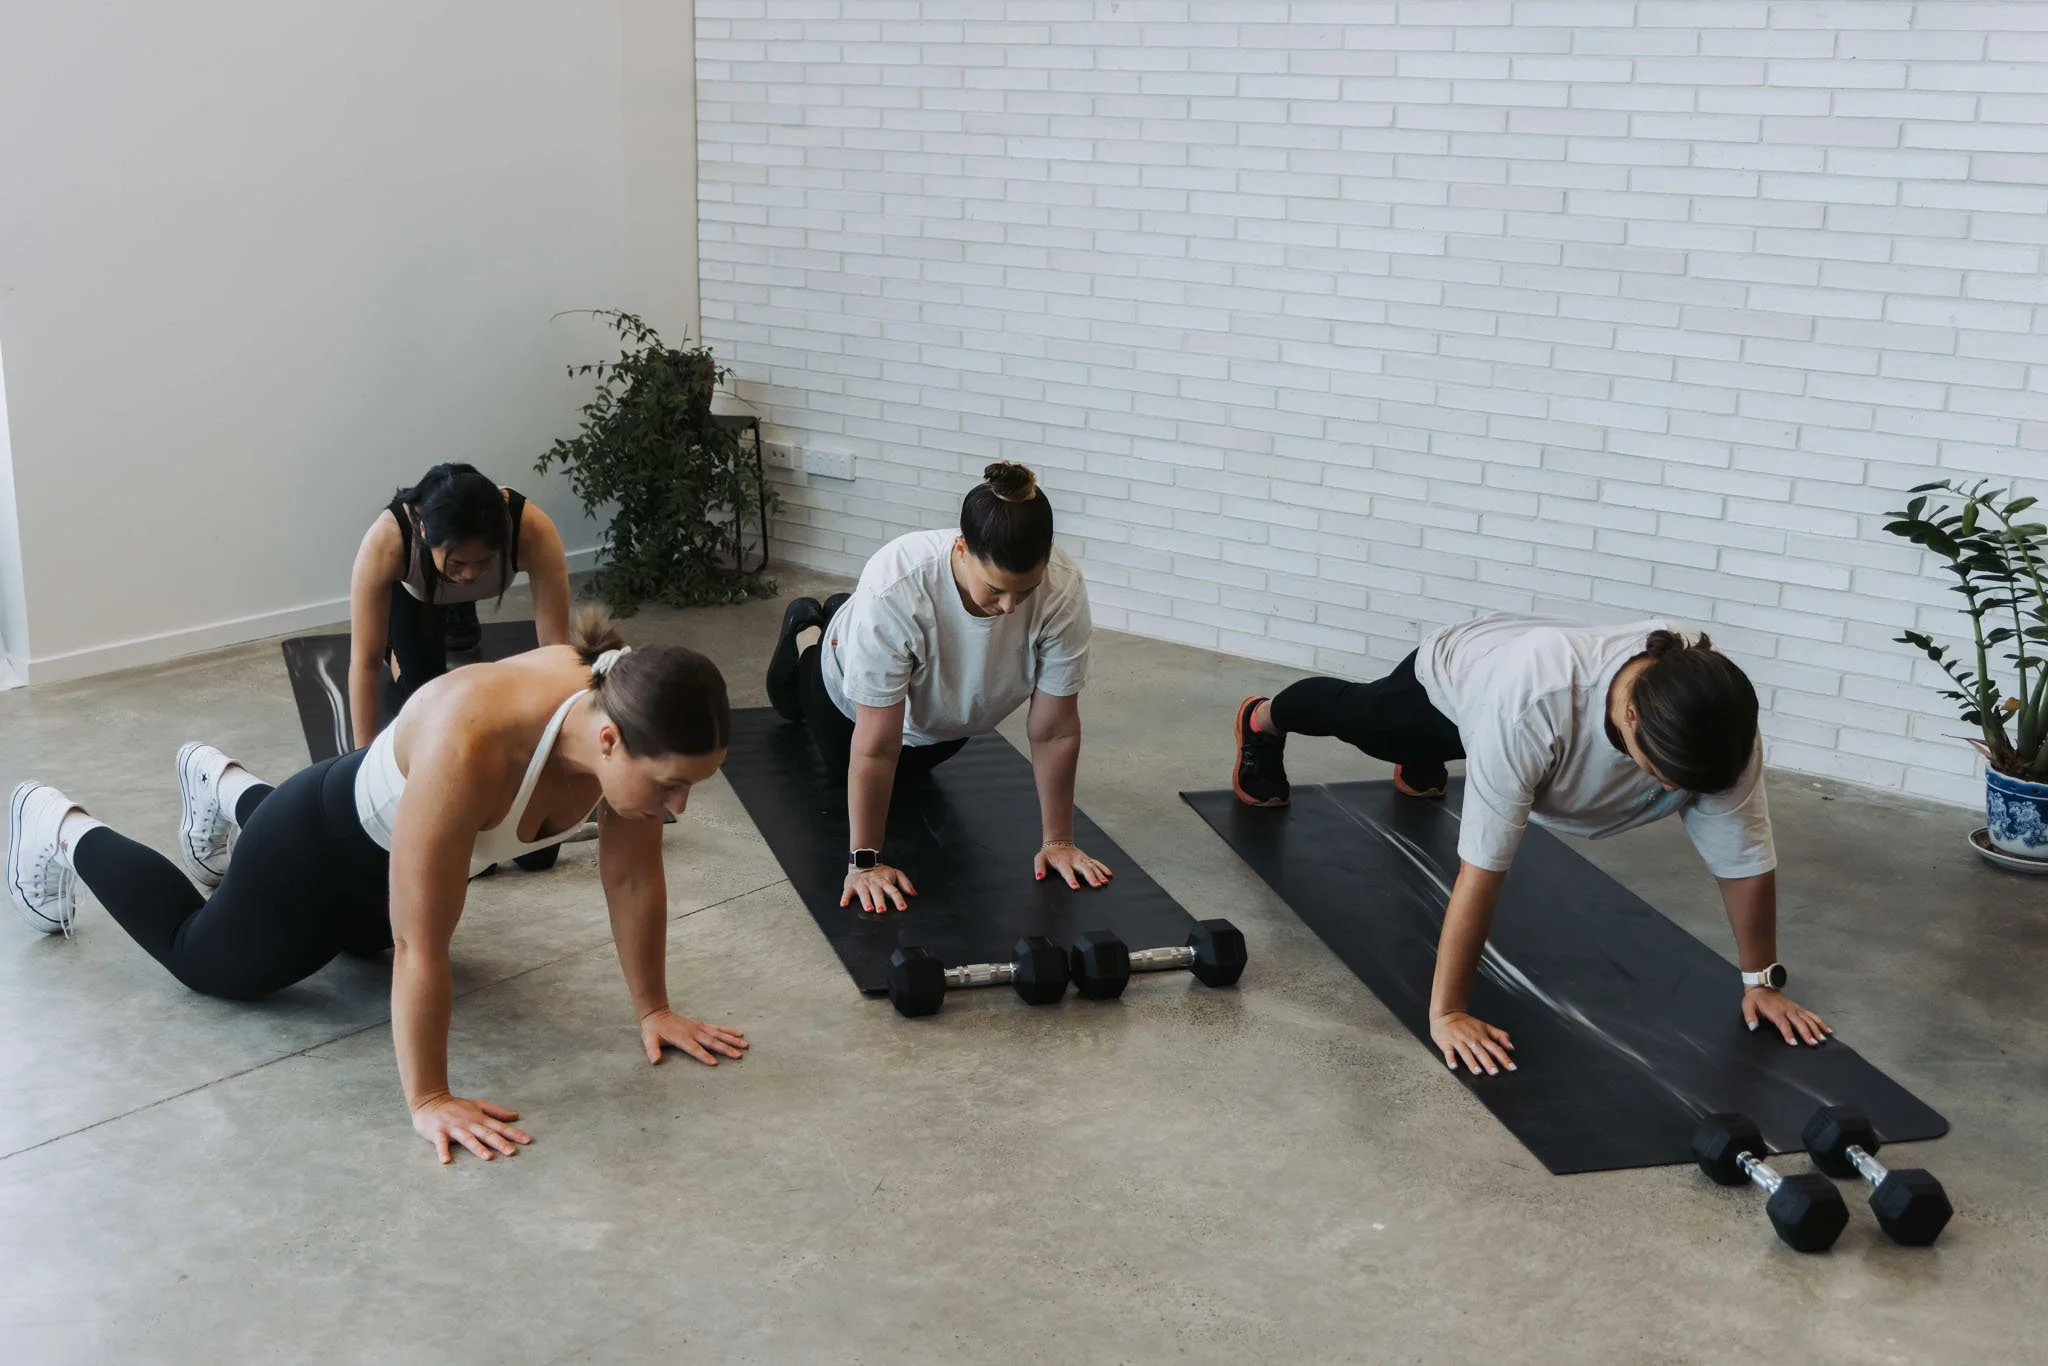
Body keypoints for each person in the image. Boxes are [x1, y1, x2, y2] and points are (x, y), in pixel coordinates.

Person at [7, 610, 747, 1164]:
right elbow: (418, 938)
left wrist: (654, 1008)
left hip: (383, 838)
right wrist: (429, 1098)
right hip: (316, 846)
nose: (677, 807)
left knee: (366, 951)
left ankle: (223, 783)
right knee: (209, 962)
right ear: (612, 741)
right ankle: (58, 825)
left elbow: (630, 874)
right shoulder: (476, 740)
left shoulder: (625, 710)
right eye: (672, 787)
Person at [1229, 613, 1831, 1076]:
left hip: (1512, 705)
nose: (1674, 792)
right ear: (1633, 721)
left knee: (1487, 760)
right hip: (1458, 675)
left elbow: (1743, 856)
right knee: (1366, 722)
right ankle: (1263, 719)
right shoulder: (1529, 707)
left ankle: (1425, 756)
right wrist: (1448, 1013)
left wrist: (1762, 982)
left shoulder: (1717, 718)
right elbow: (1482, 870)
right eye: (1665, 776)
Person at [764, 460, 1111, 912]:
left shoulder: (1063, 588)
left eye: (1024, 592)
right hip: (842, 706)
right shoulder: (899, 583)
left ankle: (844, 614)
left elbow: (1055, 729)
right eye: (994, 590)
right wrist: (865, 862)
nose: (1009, 608)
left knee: (913, 774)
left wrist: (1059, 840)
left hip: (938, 727)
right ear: (962, 549)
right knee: (810, 724)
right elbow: (875, 746)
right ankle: (810, 632)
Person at [348, 462, 571, 752]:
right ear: (424, 532)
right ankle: (404, 643)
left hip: (440, 581)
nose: (470, 574)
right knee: (426, 702)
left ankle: (458, 606)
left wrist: (565, 735)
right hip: (415, 593)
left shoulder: (532, 530)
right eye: (458, 563)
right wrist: (358, 762)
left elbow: (556, 649)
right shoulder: (389, 540)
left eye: (484, 562)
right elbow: (364, 662)